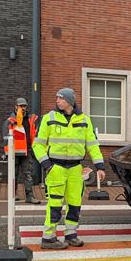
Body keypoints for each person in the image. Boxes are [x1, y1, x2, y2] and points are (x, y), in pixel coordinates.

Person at [32, 87, 105, 249]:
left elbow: (93, 146)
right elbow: (38, 145)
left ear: (70, 101)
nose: (57, 101)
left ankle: (71, 234)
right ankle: (48, 238)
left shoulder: (85, 120)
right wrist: (47, 165)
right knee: (55, 204)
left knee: (74, 203)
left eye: (61, 98)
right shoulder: (48, 118)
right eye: (57, 98)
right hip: (55, 167)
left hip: (75, 170)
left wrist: (100, 166)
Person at [3, 97, 41, 204]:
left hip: (26, 151)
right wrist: (7, 153)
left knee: (28, 174)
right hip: (14, 152)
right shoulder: (10, 121)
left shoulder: (30, 120)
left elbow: (33, 135)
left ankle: (29, 196)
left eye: (24, 106)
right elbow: (6, 138)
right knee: (13, 174)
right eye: (20, 106)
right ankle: (13, 195)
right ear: (15, 107)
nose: (23, 108)